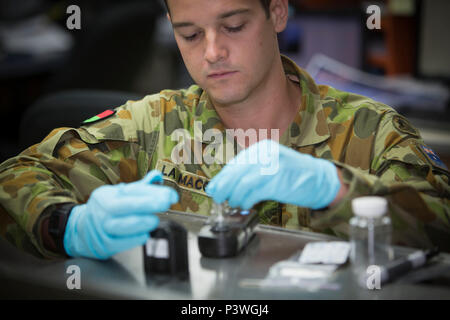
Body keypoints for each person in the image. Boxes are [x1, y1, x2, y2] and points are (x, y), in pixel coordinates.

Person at [0, 0, 449, 260]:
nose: (213, 52)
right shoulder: (154, 124)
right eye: (190, 35)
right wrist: (67, 225)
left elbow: (441, 224)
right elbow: (15, 178)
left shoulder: (366, 129)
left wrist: (336, 190)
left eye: (233, 25)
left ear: (276, 13)